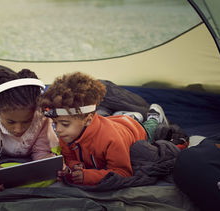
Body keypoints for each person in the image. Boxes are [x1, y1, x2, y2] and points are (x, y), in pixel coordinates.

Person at [39, 72, 168, 186]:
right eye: (55, 123)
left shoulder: (111, 139)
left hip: (133, 129)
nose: (59, 130)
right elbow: (68, 157)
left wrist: (88, 176)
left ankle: (154, 117)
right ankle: (129, 116)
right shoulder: (66, 135)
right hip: (111, 121)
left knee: (149, 130)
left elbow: (123, 172)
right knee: (111, 118)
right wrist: (73, 166)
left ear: (88, 119)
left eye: (65, 124)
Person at [0, 68, 58, 191]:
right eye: (11, 122)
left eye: (27, 121)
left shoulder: (40, 114)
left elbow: (41, 151)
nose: (18, 129)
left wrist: (47, 162)